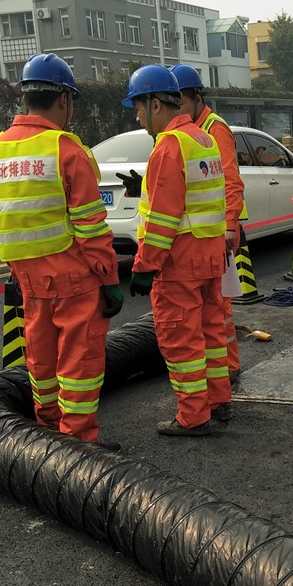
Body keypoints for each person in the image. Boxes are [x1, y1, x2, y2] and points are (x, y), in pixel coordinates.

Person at [0, 53, 123, 449]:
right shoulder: (65, 149)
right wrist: (110, 280)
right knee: (80, 364)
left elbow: (3, 217)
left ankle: (49, 430)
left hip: (26, 277)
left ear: (25, 98)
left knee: (40, 359)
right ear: (64, 99)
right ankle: (78, 442)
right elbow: (92, 227)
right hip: (74, 276)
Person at [122, 65, 231, 437]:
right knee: (211, 333)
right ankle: (219, 401)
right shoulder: (203, 138)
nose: (137, 117)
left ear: (155, 104)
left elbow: (163, 218)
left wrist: (143, 266)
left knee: (181, 340)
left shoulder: (168, 146)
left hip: (178, 264)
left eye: (137, 108)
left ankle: (193, 417)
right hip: (208, 256)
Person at [169, 64, 246, 385]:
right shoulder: (185, 133)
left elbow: (231, 182)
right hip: (202, 231)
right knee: (210, 306)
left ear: (197, 98)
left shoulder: (214, 129)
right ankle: (216, 366)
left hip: (217, 230)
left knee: (218, 306)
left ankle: (227, 364)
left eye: (182, 104)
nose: (179, 111)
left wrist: (230, 226)